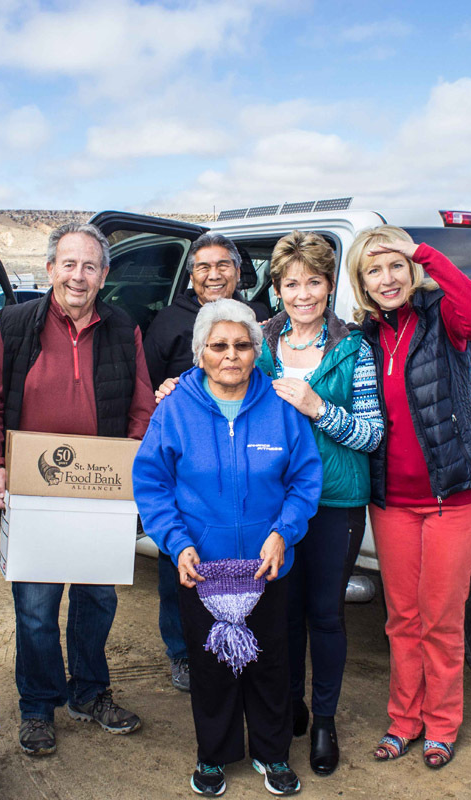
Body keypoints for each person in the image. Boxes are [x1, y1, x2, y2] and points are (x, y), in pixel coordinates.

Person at [0, 222, 156, 756]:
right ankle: (38, 705)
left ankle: (90, 693)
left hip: (100, 489)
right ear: (50, 268)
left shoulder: (124, 329)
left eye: (90, 266)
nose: (78, 276)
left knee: (97, 599)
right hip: (34, 492)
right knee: (35, 608)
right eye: (69, 264)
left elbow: (142, 406)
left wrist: (130, 462)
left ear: (104, 275)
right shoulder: (15, 324)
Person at [134, 298, 322, 797]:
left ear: (256, 351)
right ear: (201, 353)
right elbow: (152, 484)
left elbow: (305, 479)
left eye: (242, 345)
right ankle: (213, 756)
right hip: (203, 567)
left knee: (270, 663)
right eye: (219, 346)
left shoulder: (281, 406)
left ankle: (272, 752)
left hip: (267, 565)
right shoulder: (174, 409)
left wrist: (283, 532)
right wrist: (177, 543)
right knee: (211, 666)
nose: (231, 355)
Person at [347, 225, 471, 769]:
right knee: (402, 618)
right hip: (392, 501)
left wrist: (423, 252)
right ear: (362, 282)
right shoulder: (364, 337)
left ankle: (441, 724)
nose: (387, 279)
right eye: (374, 269)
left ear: (412, 269)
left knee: (440, 618)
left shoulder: (443, 317)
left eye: (396, 266)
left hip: (453, 495)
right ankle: (403, 721)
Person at [255, 231, 384, 776]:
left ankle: (325, 720)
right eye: (291, 284)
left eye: (313, 282)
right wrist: (175, 387)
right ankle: (290, 706)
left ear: (330, 286)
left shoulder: (354, 348)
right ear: (277, 289)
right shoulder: (260, 342)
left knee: (325, 614)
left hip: (334, 499)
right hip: (273, 500)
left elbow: (372, 434)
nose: (302, 294)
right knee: (281, 611)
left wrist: (317, 407)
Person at [142, 233, 269, 693]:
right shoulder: (167, 322)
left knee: (247, 570)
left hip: (247, 465)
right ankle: (183, 653)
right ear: (191, 274)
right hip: (189, 471)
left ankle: (244, 645)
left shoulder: (260, 318)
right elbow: (148, 383)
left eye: (223, 265)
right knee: (178, 569)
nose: (213, 275)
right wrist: (165, 392)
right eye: (203, 266)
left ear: (238, 271)